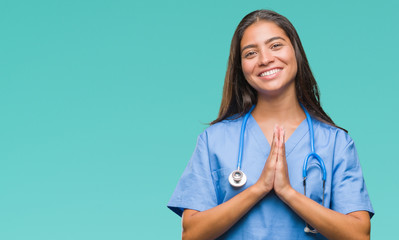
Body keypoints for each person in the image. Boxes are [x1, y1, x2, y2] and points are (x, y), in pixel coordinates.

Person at [167, 9, 374, 240]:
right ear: (241, 68)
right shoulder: (214, 141)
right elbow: (191, 234)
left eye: (275, 45)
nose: (265, 59)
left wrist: (287, 192)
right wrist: (259, 188)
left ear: (296, 51)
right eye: (250, 53)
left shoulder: (336, 143)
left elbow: (359, 235)